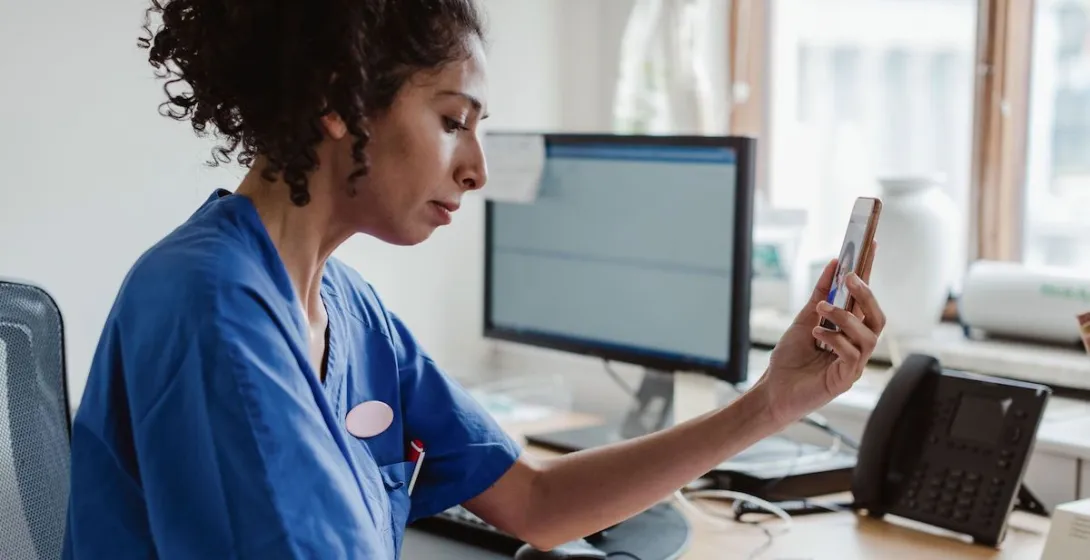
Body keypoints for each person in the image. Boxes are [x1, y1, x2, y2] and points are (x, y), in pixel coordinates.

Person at [62, 1, 886, 558]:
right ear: (337, 100)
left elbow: (532, 500)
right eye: (453, 121)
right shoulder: (208, 308)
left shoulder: (348, 311)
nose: (477, 170)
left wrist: (772, 402)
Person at [827, 240, 857, 307]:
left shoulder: (849, 298)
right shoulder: (831, 296)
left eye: (846, 273)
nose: (843, 278)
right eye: (841, 272)